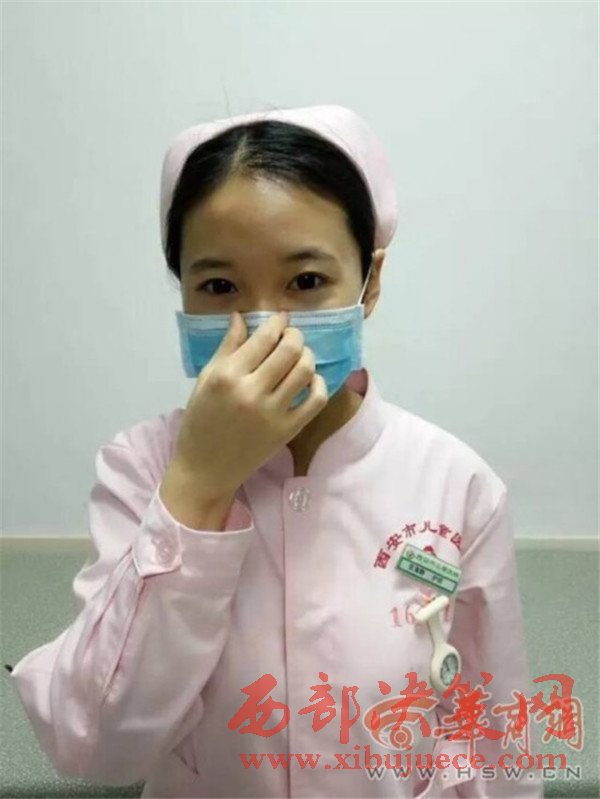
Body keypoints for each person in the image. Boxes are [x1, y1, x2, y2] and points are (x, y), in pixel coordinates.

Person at [7, 104, 543, 798]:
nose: (265, 328)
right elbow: (99, 746)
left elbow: (499, 747)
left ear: (371, 282)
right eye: (219, 286)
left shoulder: (457, 486)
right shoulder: (140, 469)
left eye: (306, 281)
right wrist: (198, 484)